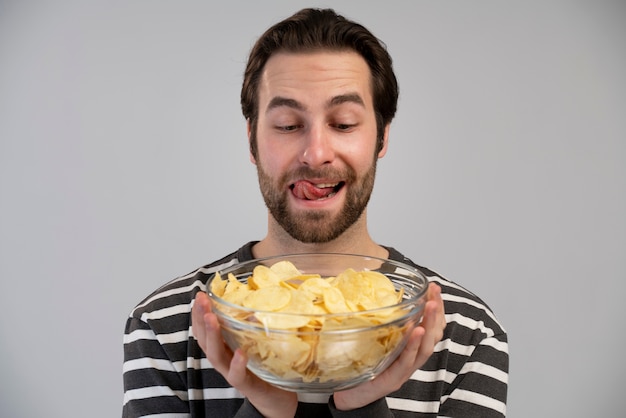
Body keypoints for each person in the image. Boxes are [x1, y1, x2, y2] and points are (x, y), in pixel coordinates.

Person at [122, 8, 508, 417]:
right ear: (252, 140)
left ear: (382, 137)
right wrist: (266, 410)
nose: (316, 153)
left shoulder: (463, 335)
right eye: (288, 125)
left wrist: (362, 408)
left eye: (343, 123)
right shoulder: (166, 327)